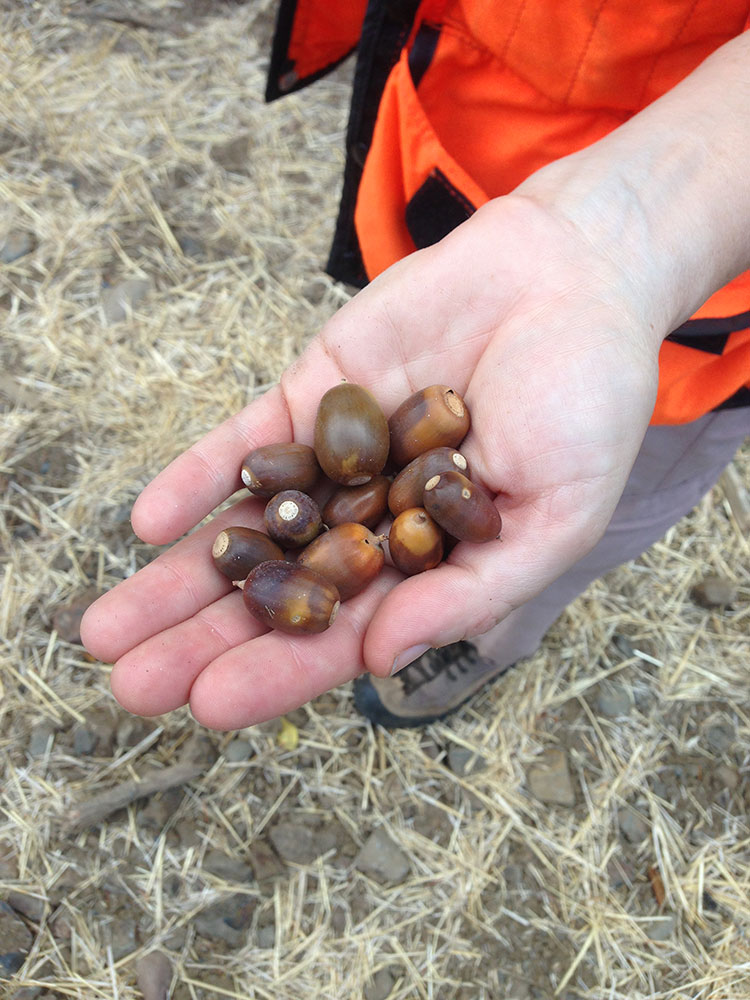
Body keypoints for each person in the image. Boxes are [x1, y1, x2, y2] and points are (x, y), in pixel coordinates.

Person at [80, 2, 750, 730]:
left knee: (608, 513)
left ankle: (499, 640)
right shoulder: (368, 475)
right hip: (448, 183)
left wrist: (628, 245)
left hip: (701, 318)